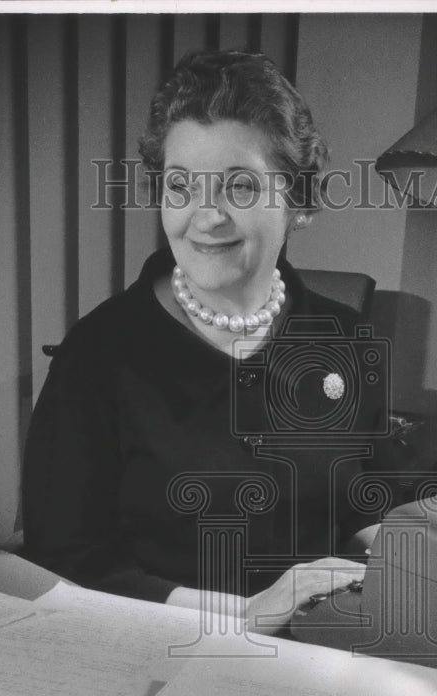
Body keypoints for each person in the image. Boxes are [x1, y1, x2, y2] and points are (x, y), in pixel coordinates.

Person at [23, 50, 384, 633]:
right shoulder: (98, 353)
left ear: (300, 202)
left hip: (324, 650)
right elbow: (64, 563)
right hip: (151, 652)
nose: (205, 216)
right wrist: (244, 614)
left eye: (240, 187)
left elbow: (365, 505)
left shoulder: (348, 339)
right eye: (181, 186)